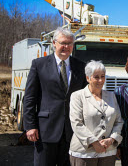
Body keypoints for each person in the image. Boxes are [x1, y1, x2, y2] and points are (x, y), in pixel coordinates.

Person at [23, 27, 87, 166]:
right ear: (54, 43)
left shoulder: (81, 67)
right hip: (45, 130)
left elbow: (85, 98)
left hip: (72, 132)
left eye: (70, 44)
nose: (66, 47)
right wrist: (30, 126)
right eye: (63, 43)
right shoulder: (39, 65)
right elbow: (29, 98)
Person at [69, 60, 123, 166]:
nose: (100, 80)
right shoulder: (77, 96)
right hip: (84, 153)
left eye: (103, 76)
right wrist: (94, 142)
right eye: (96, 77)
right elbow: (76, 123)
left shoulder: (111, 96)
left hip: (108, 151)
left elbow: (119, 121)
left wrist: (111, 139)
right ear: (88, 78)